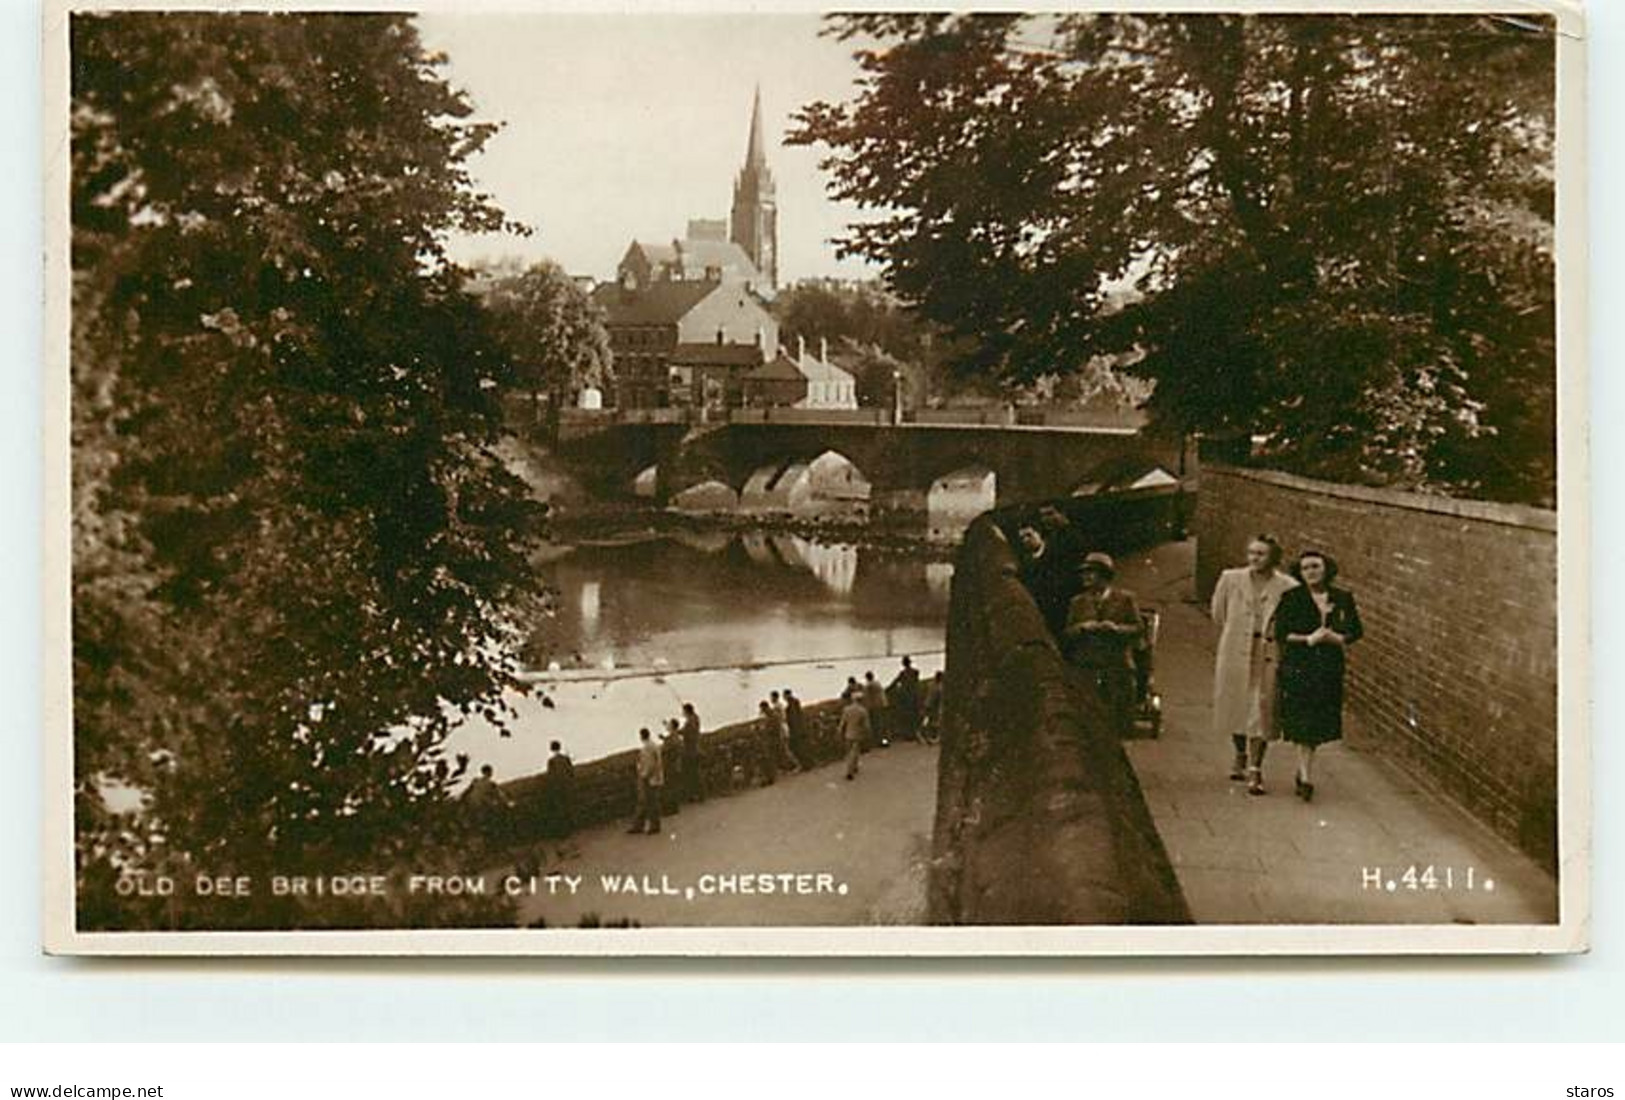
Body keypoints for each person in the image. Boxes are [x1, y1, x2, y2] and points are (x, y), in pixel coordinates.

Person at [1210, 534, 1298, 795]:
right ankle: (1240, 753)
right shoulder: (1230, 578)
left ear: (1273, 557)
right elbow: (1218, 613)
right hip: (1235, 649)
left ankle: (1255, 769)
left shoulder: (1287, 586)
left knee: (1262, 708)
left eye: (1261, 554)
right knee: (1236, 704)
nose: (1255, 558)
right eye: (1251, 553)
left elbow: (1289, 620)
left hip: (1267, 651)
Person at [1274, 550, 1364, 802]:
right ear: (1299, 573)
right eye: (1305, 568)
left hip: (1328, 668)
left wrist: (1336, 638)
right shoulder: (1292, 598)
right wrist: (1308, 639)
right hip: (1300, 666)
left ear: (1326, 569)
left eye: (1316, 566)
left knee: (1317, 725)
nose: (1311, 572)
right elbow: (1282, 633)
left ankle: (1304, 769)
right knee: (1304, 723)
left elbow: (1356, 631)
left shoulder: (1342, 598)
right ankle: (1306, 777)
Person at [1062, 552, 1142, 740]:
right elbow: (1067, 633)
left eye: (1092, 573)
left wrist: (1116, 629)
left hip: (1116, 662)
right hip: (1087, 663)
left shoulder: (1125, 599)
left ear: (1105, 576)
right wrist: (1083, 627)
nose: (1086, 577)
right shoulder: (1077, 602)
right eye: (1084, 573)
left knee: (1119, 707)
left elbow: (1138, 629)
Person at [1014, 522, 1079, 637]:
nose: (1026, 540)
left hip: (1062, 603)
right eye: (1022, 538)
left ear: (1039, 534)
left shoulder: (1057, 551)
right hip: (1041, 608)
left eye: (1029, 535)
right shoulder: (1025, 562)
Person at [463, 764, 512, 847]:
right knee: (496, 818)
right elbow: (500, 795)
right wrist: (508, 803)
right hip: (483, 806)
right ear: (489, 772)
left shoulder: (475, 781)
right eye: (490, 772)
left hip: (472, 805)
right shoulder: (491, 783)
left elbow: (467, 791)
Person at [629, 727, 664, 835]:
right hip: (656, 778)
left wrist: (644, 776)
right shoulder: (654, 745)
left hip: (649, 780)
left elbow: (649, 765)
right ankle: (643, 825)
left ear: (641, 736)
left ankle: (650, 826)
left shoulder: (646, 748)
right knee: (650, 802)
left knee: (649, 803)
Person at [543, 741, 576, 839]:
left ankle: (564, 831)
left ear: (551, 749)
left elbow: (550, 777)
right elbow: (571, 772)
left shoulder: (551, 761)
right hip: (567, 786)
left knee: (560, 809)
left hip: (557, 789)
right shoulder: (566, 759)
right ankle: (570, 828)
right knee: (568, 807)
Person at [887, 656, 922, 741]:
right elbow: (917, 684)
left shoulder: (902, 674)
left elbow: (894, 683)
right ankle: (915, 733)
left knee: (906, 716)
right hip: (914, 696)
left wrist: (887, 690)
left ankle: (908, 734)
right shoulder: (916, 672)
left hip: (906, 697)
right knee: (914, 715)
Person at [839, 689, 871, 781]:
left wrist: (840, 731)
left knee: (849, 752)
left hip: (847, 734)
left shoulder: (846, 709)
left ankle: (854, 767)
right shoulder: (863, 711)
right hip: (858, 733)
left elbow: (843, 722)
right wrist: (867, 733)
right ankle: (850, 770)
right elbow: (866, 725)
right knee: (855, 751)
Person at [679, 702, 704, 803]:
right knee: (695, 773)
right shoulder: (696, 718)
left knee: (692, 774)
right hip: (695, 749)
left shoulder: (690, 721)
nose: (682, 713)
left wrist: (675, 731)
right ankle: (699, 795)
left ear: (686, 711)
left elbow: (686, 733)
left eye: (683, 711)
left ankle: (695, 795)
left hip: (690, 751)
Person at [783, 688, 810, 771]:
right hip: (800, 729)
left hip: (796, 731)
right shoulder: (795, 703)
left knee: (797, 748)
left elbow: (793, 719)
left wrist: (794, 731)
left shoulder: (791, 705)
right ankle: (806, 764)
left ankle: (805, 765)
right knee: (801, 748)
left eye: (784, 695)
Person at [862, 670, 890, 748]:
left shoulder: (869, 685)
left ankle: (881, 742)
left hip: (875, 707)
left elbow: (866, 696)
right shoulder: (878, 683)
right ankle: (885, 741)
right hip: (883, 705)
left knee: (877, 725)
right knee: (883, 724)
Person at [757, 701, 781, 786]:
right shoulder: (770, 716)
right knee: (770, 758)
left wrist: (763, 730)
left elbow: (773, 728)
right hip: (771, 739)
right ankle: (771, 777)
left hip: (772, 740)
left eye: (762, 709)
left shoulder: (772, 716)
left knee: (770, 758)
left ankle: (771, 777)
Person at [920, 671, 944, 744]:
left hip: (928, 704)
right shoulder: (939, 687)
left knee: (928, 719)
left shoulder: (930, 684)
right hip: (933, 705)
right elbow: (937, 697)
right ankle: (931, 735)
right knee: (933, 720)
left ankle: (926, 734)